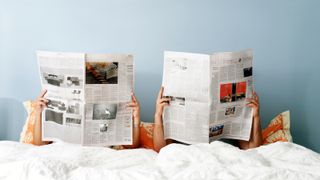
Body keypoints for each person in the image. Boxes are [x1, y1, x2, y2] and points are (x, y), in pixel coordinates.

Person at [153, 87, 262, 152]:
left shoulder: (232, 117)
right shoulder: (175, 118)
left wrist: (256, 117)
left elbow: (252, 148)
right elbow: (160, 149)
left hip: (223, 158)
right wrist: (158, 115)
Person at [32, 89, 140, 148]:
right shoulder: (54, 103)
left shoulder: (112, 107)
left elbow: (132, 146)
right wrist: (38, 114)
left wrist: (136, 119)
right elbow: (38, 144)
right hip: (62, 153)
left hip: (100, 155)